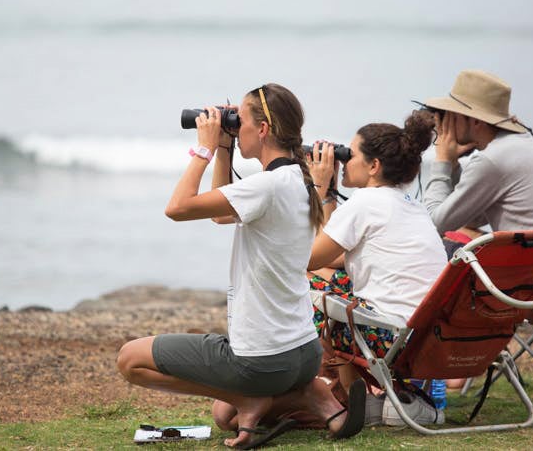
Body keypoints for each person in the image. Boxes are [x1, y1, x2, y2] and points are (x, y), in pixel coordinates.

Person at [116, 83, 365, 450]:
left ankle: (251, 399)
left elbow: (177, 208)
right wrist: (224, 148)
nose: (235, 126)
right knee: (222, 416)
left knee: (130, 359)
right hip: (304, 353)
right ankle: (310, 394)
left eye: (241, 120)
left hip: (262, 360)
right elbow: (220, 217)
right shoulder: (298, 180)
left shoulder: (266, 187)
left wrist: (203, 146)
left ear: (262, 129)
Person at [304, 112, 446, 425]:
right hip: (429, 338)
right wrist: (329, 194)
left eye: (350, 154)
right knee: (329, 280)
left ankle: (346, 394)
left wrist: (317, 187)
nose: (344, 161)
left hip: (390, 338)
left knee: (303, 285)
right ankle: (369, 399)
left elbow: (308, 258)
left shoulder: (365, 202)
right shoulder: (410, 204)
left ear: (373, 166)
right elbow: (333, 256)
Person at [422, 69, 533, 248]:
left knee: (431, 246)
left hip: (528, 263)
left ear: (476, 121)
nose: (446, 125)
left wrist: (442, 160)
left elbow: (432, 225)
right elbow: (470, 217)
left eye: (453, 116)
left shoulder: (492, 160)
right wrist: (454, 165)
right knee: (462, 232)